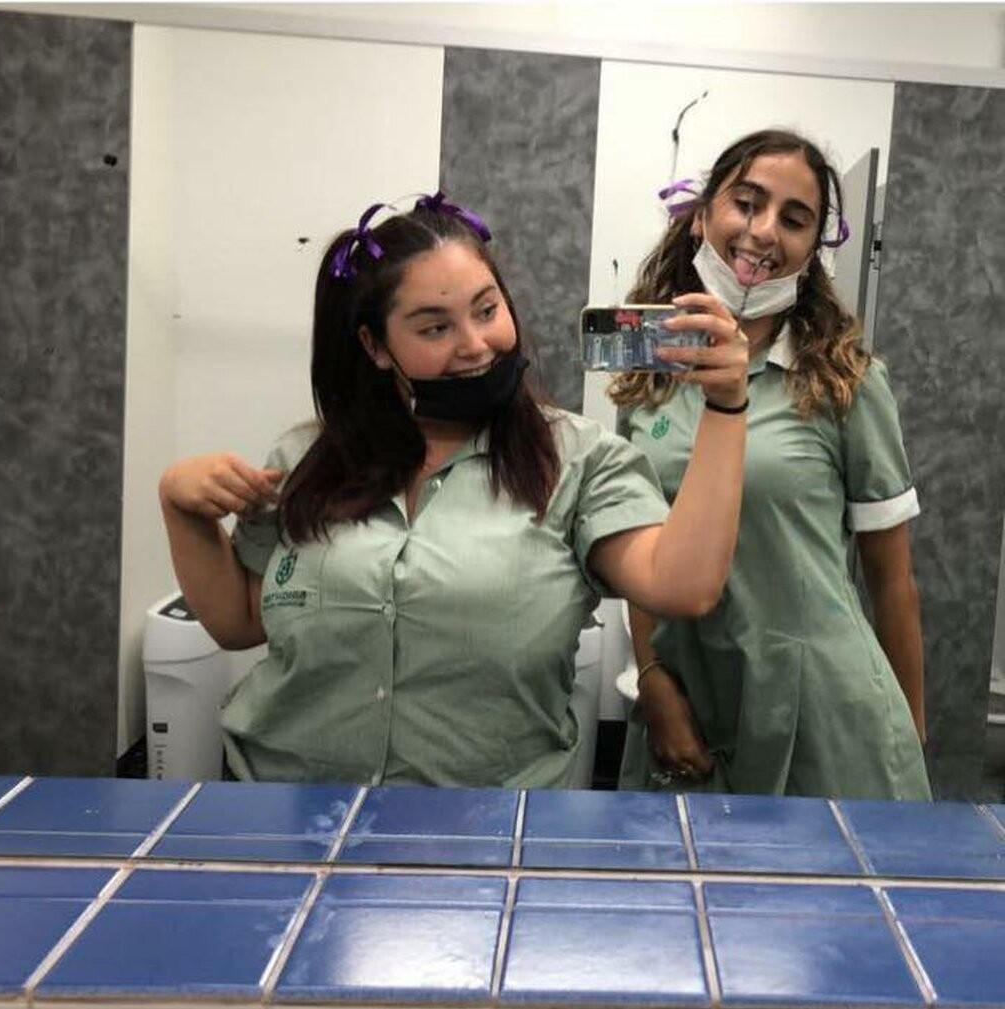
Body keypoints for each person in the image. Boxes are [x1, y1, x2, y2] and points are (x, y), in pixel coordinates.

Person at [159, 192, 748, 788]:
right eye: (435, 327)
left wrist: (726, 406)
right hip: (286, 811)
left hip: (488, 825)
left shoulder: (579, 461)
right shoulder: (308, 459)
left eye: (487, 310)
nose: (475, 344)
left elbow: (684, 586)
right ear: (375, 346)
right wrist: (181, 508)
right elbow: (240, 621)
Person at [611, 129, 930, 799]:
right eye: (747, 202)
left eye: (794, 218)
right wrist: (653, 679)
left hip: (826, 714)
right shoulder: (650, 377)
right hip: (688, 710)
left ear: (812, 250)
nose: (763, 231)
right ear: (701, 216)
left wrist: (911, 737)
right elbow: (642, 551)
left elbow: (892, 581)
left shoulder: (844, 383)